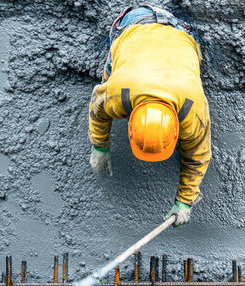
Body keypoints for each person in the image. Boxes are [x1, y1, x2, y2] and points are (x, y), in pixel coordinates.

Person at [87, 5, 210, 227]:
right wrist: (99, 146)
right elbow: (97, 108)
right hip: (140, 26)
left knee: (111, 74)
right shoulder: (118, 93)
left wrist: (185, 201)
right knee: (110, 74)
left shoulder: (193, 109)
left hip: (178, 34)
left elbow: (199, 156)